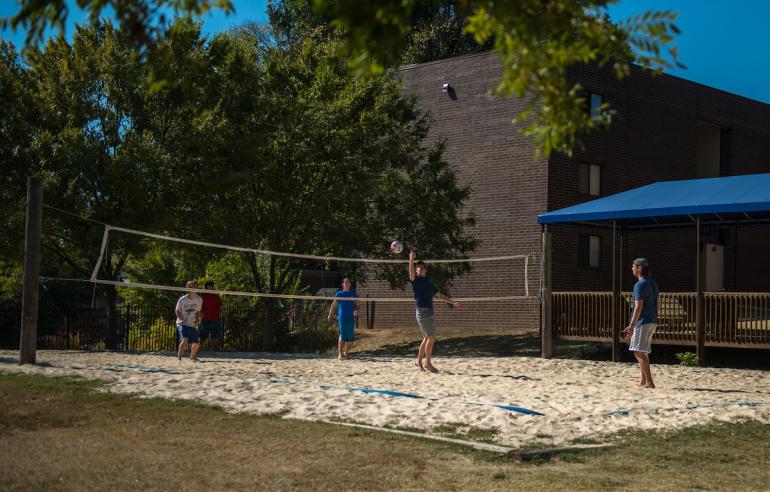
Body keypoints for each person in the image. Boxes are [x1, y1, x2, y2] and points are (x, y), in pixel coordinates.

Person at [408, 250, 462, 373]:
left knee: (426, 339)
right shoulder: (415, 281)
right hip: (422, 314)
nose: (420, 269)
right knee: (431, 339)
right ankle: (428, 364)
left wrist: (453, 302)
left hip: (429, 313)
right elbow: (410, 272)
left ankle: (419, 362)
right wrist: (411, 259)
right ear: (416, 270)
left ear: (426, 270)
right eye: (418, 268)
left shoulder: (429, 284)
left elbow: (440, 295)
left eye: (422, 267)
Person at [623, 258, 659, 388]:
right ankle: (643, 381)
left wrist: (632, 325)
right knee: (643, 351)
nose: (632, 268)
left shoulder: (639, 284)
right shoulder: (653, 283)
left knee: (638, 351)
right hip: (652, 320)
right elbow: (657, 303)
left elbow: (638, 306)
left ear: (639, 268)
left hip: (643, 321)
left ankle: (649, 382)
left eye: (633, 266)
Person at [327, 276, 358, 360]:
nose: (347, 283)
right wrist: (330, 314)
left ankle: (346, 353)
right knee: (342, 335)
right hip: (342, 317)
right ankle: (340, 354)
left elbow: (356, 305)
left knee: (349, 337)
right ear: (343, 284)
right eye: (345, 282)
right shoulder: (339, 294)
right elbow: (333, 304)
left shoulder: (353, 294)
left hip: (350, 317)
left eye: (348, 282)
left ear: (350, 284)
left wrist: (356, 310)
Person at [176, 280, 203, 362]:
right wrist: (180, 319)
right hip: (182, 323)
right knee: (185, 340)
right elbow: (177, 310)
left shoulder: (199, 299)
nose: (193, 288)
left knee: (196, 343)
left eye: (195, 287)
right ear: (188, 288)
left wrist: (197, 320)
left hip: (191, 323)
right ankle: (179, 358)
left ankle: (192, 357)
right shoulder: (182, 299)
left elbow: (198, 312)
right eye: (191, 287)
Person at [199, 281, 223, 350]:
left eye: (212, 286)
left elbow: (220, 306)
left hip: (215, 319)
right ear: (206, 287)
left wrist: (224, 314)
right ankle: (199, 348)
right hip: (205, 319)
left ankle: (211, 349)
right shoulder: (202, 295)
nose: (212, 287)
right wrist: (200, 313)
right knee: (202, 336)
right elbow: (198, 305)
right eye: (210, 286)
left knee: (215, 336)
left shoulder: (216, 295)